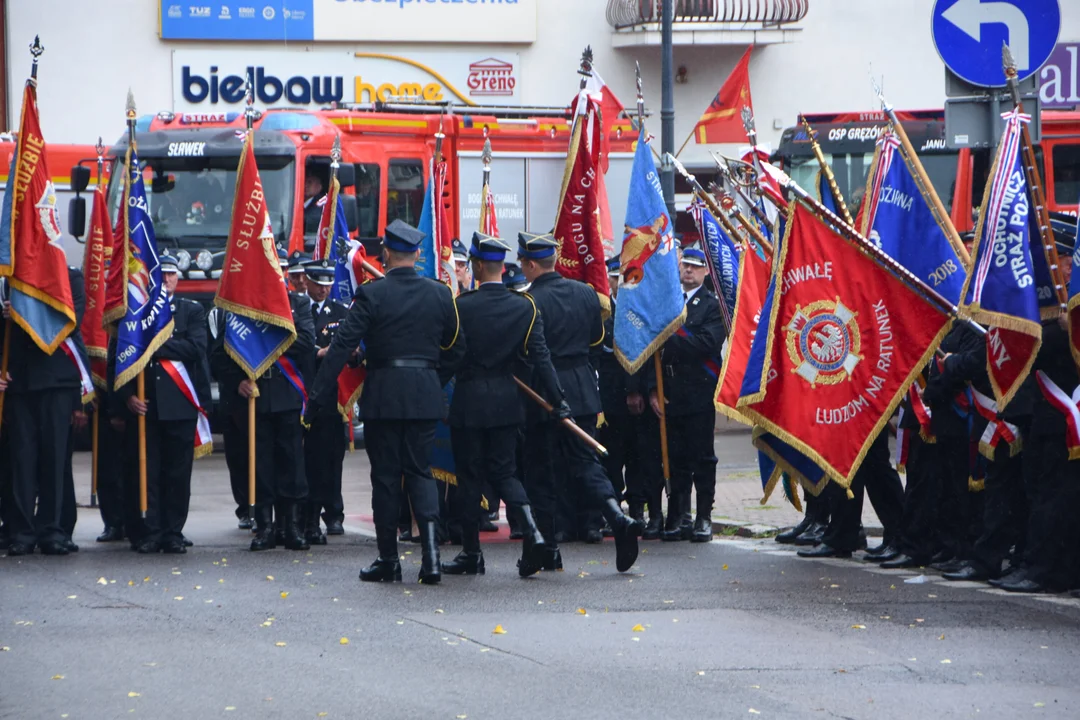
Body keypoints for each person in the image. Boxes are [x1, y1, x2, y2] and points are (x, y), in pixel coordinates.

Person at [307, 219, 465, 585]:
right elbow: (457, 348)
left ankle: (389, 560)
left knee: (386, 479)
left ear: (388, 254)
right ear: (418, 255)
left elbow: (342, 347)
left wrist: (316, 398)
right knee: (421, 473)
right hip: (425, 396)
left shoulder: (373, 294)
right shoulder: (440, 293)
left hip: (385, 397)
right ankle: (432, 559)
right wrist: (430, 378)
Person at [517, 231, 645, 573]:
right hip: (583, 389)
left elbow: (530, 354)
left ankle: (548, 550)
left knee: (543, 472)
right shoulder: (587, 294)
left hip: (544, 393)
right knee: (586, 464)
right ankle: (617, 517)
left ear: (530, 264)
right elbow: (595, 344)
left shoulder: (527, 302)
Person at [442, 232, 568, 578]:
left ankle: (471, 553)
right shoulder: (523, 306)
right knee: (505, 472)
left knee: (469, 478)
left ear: (478, 266)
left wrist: (435, 388)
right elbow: (542, 359)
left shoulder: (461, 306)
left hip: (469, 401)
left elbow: (450, 357)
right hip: (505, 403)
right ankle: (533, 531)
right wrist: (559, 400)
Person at [211, 247, 316, 552]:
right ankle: (265, 527)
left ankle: (292, 527)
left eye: (282, 269)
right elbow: (220, 353)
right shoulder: (242, 306)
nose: (278, 273)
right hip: (254, 395)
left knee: (291, 462)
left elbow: (307, 342)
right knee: (260, 464)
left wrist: (273, 335)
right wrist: (236, 382)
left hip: (286, 392)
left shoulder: (297, 303)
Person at [115, 253, 210, 554]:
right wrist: (126, 396)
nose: (166, 279)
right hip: (145, 405)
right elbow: (119, 356)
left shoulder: (190, 311)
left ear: (178, 278)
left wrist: (153, 346)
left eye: (171, 274)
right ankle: (149, 531)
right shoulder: (135, 313)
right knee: (147, 473)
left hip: (179, 405)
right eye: (162, 274)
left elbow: (195, 348)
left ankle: (173, 532)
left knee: (177, 474)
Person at [2, 268, 88, 556]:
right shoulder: (8, 279)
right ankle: (21, 532)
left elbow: (71, 322)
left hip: (56, 381)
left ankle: (52, 530)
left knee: (54, 460)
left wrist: (25, 311)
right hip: (18, 381)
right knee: (21, 462)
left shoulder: (70, 277)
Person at [649, 246, 726, 543]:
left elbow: (705, 344)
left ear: (706, 272)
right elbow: (652, 350)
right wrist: (653, 388)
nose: (689, 271)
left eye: (695, 267)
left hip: (698, 391)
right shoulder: (668, 303)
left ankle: (704, 516)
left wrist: (670, 332)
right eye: (686, 266)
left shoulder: (712, 305)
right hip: (669, 391)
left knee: (702, 456)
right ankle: (679, 515)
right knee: (675, 456)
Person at [301, 259, 349, 545]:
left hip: (332, 398)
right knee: (307, 460)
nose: (323, 289)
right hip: (303, 393)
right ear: (306, 281)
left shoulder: (341, 313)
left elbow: (352, 351)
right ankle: (305, 514)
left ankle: (333, 513)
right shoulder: (295, 309)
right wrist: (318, 353)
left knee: (332, 459)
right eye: (318, 283)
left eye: (328, 283)